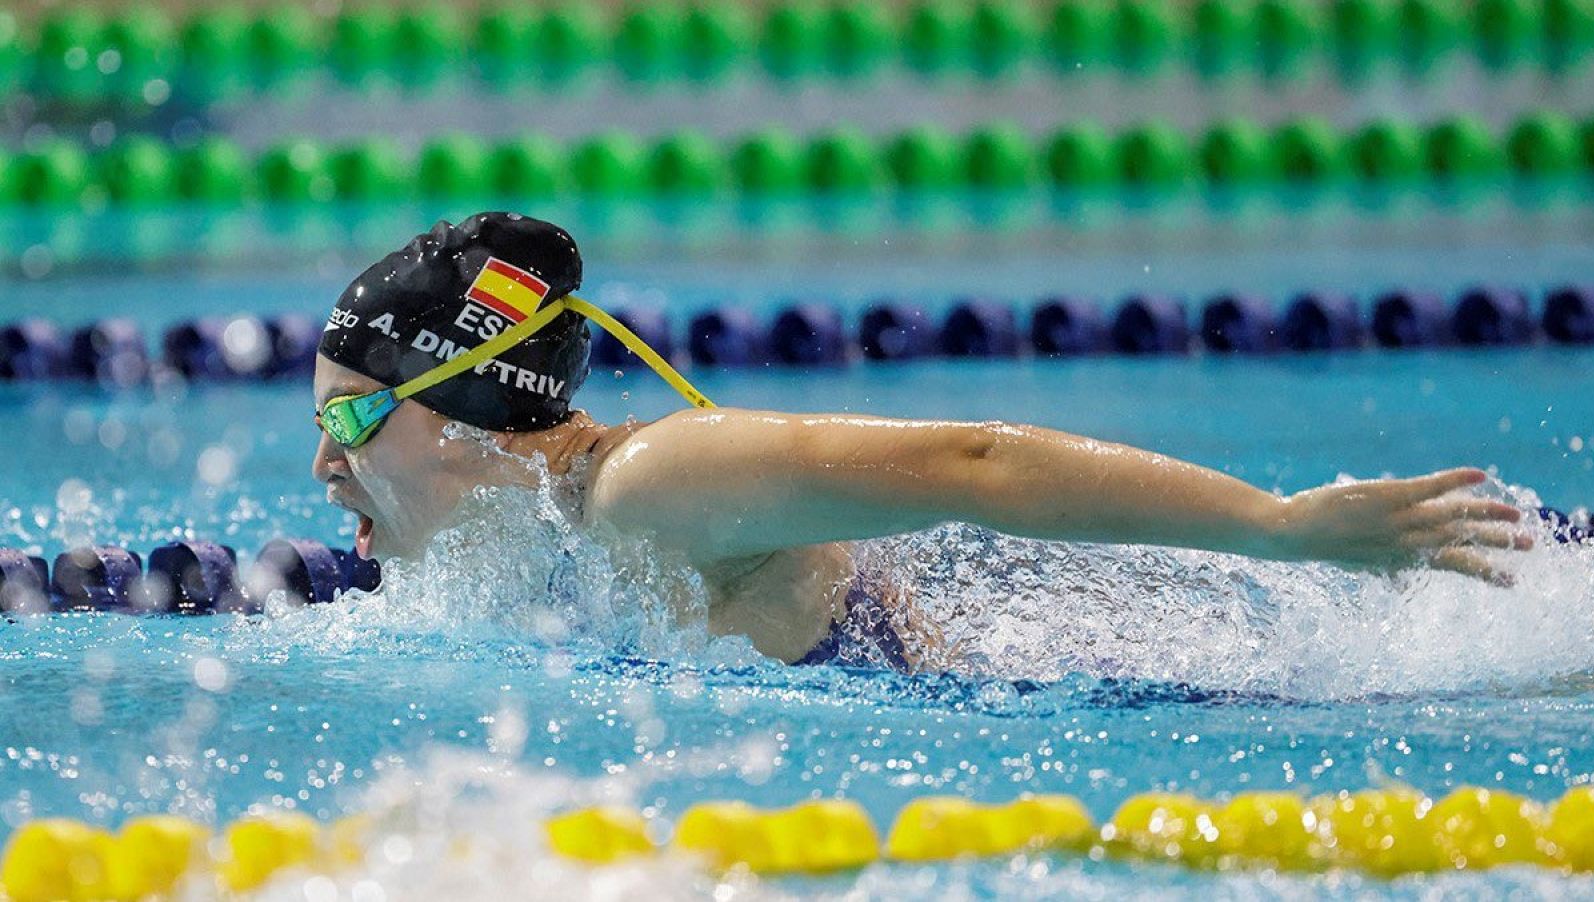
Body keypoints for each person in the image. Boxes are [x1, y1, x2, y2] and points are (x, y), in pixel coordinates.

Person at [312, 212, 1531, 669]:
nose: (323, 464)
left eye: (351, 416)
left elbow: (973, 464)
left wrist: (1285, 527)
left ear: (472, 410)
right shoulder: (536, 551)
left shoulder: (646, 488)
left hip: (1063, 691)